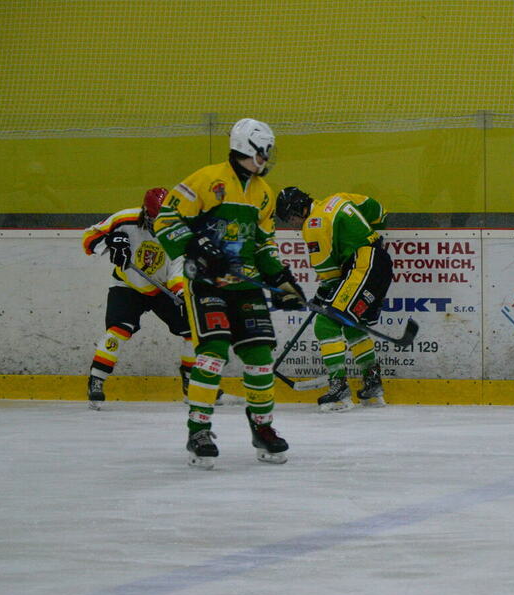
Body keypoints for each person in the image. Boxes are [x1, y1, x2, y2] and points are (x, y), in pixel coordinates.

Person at [153, 118, 307, 469]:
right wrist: (196, 246)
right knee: (213, 354)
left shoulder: (264, 193)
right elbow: (166, 220)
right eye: (265, 151)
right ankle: (199, 431)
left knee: (260, 358)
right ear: (248, 148)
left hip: (247, 286)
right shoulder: (207, 179)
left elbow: (263, 244)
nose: (267, 158)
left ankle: (262, 428)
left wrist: (282, 280)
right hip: (208, 284)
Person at [274, 187, 392, 412]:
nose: (292, 224)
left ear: (299, 209)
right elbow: (379, 212)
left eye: (290, 218)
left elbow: (329, 275)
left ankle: (339, 389)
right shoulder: (338, 199)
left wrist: (322, 294)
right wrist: (367, 237)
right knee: (351, 324)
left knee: (326, 323)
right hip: (378, 263)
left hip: (362, 266)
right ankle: (373, 385)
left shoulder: (313, 224)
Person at [82, 187, 194, 410]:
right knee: (118, 331)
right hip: (128, 284)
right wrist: (112, 243)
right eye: (154, 219)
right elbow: (89, 239)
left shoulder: (179, 230)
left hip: (163, 288)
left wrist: (181, 292)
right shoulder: (125, 219)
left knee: (192, 331)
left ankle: (191, 383)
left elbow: (178, 267)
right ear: (145, 211)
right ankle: (96, 379)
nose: (158, 225)